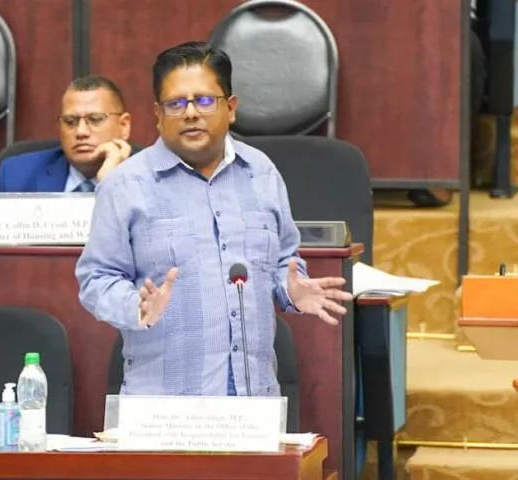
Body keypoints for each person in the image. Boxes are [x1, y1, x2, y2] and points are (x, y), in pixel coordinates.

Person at [75, 41, 353, 396]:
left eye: (205, 100)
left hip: (253, 398)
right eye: (176, 104)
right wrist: (135, 306)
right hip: (164, 404)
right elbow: (96, 279)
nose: (191, 113)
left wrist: (290, 290)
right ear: (157, 114)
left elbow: (284, 260)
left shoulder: (261, 173)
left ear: (231, 108)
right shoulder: (125, 185)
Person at [0, 75, 135, 192]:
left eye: (95, 119)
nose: (81, 132)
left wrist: (111, 184)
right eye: (70, 121)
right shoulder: (16, 175)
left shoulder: (147, 180)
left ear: (124, 126)